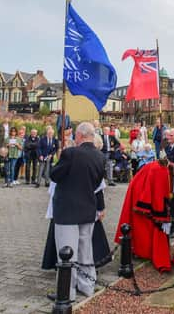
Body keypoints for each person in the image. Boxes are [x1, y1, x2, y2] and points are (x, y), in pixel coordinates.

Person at [50, 122, 105, 301]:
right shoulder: (100, 156)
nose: (74, 137)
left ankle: (67, 291)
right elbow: (97, 183)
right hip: (87, 208)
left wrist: (60, 158)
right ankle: (87, 286)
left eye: (75, 135)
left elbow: (54, 175)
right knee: (85, 250)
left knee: (67, 252)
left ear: (80, 135)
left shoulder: (71, 153)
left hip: (67, 210)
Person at [115, 159, 173, 272]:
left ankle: (138, 250)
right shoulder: (162, 170)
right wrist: (161, 216)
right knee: (142, 225)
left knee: (142, 225)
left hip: (140, 189)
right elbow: (158, 194)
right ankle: (140, 251)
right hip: (140, 194)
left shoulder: (164, 168)